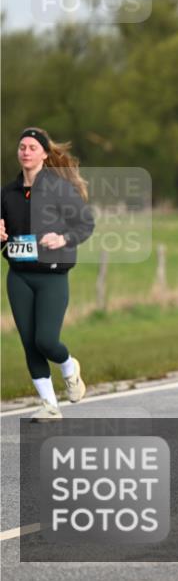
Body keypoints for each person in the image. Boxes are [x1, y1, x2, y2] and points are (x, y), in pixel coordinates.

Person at [1, 128, 94, 421]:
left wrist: (63, 239)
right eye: (22, 147)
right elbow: (4, 236)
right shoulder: (7, 193)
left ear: (43, 153)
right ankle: (50, 405)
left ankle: (69, 368)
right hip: (19, 276)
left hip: (52, 275)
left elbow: (85, 224)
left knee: (46, 341)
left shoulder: (59, 188)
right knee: (29, 343)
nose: (25, 151)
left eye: (32, 147)